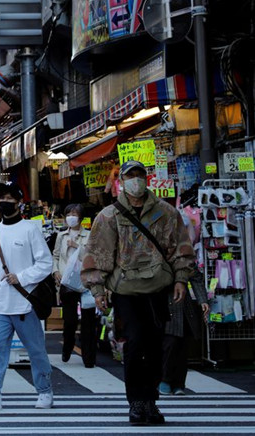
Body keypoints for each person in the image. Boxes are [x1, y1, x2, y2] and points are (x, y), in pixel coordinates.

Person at [81, 160, 195, 425]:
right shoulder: (109, 216)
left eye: (139, 175)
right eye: (130, 175)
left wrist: (181, 279)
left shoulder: (166, 212)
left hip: (157, 288)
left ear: (147, 179)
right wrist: (98, 290)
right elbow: (96, 254)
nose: (136, 180)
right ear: (122, 180)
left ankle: (151, 401)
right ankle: (136, 402)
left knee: (155, 345)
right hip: (125, 291)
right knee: (134, 342)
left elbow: (181, 247)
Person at [0, 181, 54, 411]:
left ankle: (45, 390)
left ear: (19, 202)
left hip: (25, 303)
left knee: (35, 349)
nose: (5, 202)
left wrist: (22, 277)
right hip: (1, 304)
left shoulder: (30, 229)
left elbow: (46, 263)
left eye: (9, 198)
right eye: (2, 198)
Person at [52, 204, 96, 367]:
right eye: (68, 213)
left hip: (86, 282)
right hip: (66, 282)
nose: (71, 216)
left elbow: (93, 256)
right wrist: (55, 271)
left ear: (81, 217)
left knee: (88, 321)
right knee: (69, 320)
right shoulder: (61, 236)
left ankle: (89, 357)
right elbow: (55, 256)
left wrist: (78, 247)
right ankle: (67, 347)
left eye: (75, 214)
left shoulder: (90, 235)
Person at [159, 268, 210, 395]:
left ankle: (177, 383)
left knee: (181, 345)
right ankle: (165, 379)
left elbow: (195, 275)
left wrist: (202, 300)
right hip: (164, 303)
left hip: (182, 305)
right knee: (170, 343)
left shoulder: (184, 256)